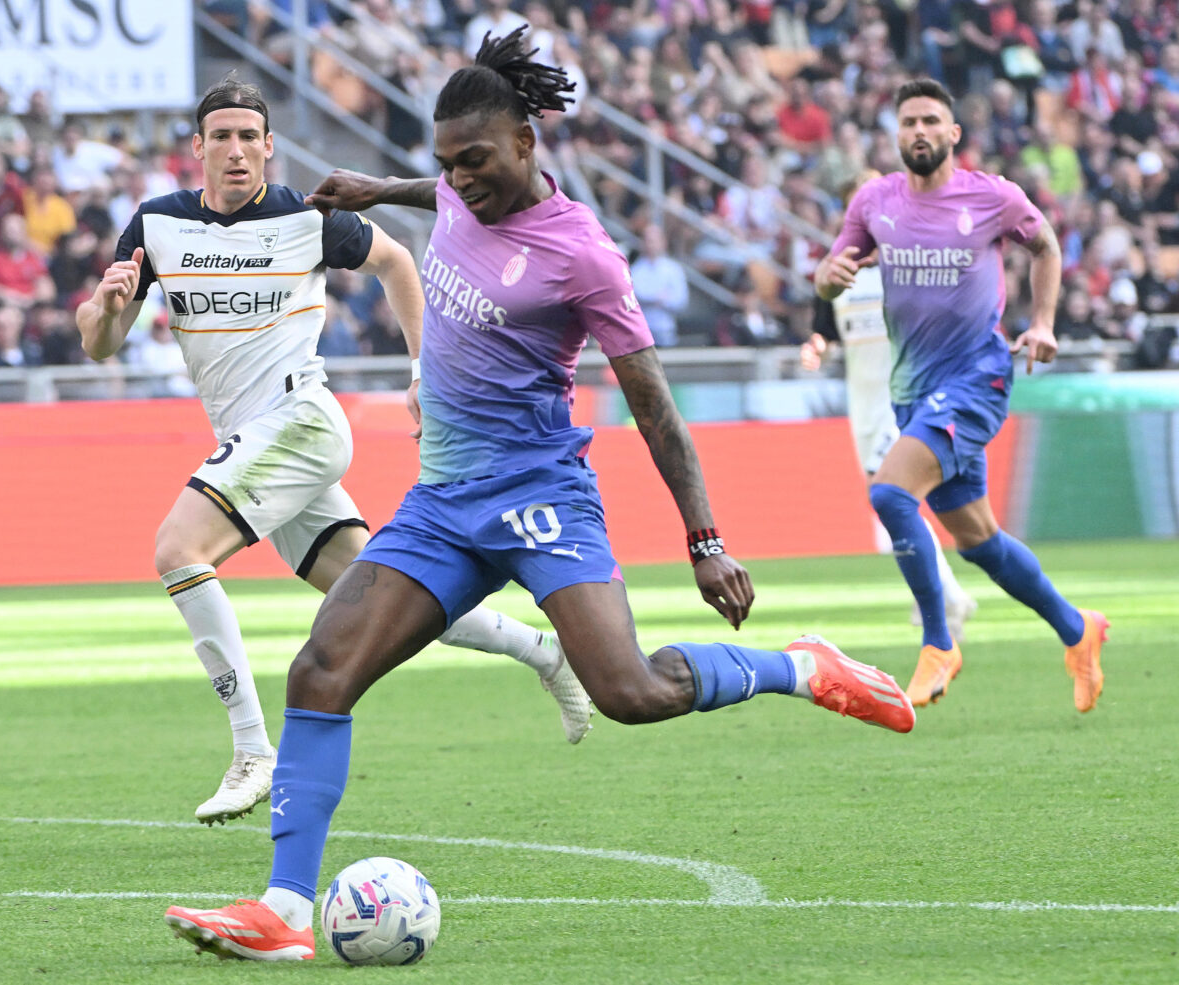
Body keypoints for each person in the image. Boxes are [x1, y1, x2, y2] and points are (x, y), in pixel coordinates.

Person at [163, 29, 916, 963]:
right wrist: (376, 189)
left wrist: (706, 539)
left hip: (539, 496)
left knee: (630, 691)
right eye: (446, 163)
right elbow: (439, 190)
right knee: (320, 670)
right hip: (444, 504)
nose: (458, 180)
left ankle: (801, 667)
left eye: (474, 160)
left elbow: (656, 409)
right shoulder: (459, 185)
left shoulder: (583, 255)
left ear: (526, 142)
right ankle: (283, 908)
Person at [76, 76, 592, 829]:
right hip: (252, 445)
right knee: (381, 597)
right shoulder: (157, 224)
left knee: (178, 550)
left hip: (300, 422)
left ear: (268, 146)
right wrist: (106, 306)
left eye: (248, 137)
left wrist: (422, 372)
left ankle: (252, 750)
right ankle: (543, 650)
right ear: (197, 147)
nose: (236, 150)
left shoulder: (304, 216)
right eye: (221, 137)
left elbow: (398, 262)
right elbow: (100, 344)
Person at [813, 78, 1108, 712]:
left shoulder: (992, 195)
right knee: (979, 542)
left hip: (977, 378)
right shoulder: (873, 202)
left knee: (890, 494)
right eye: (908, 122)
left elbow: (1046, 245)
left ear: (953, 133)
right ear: (897, 135)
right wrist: (828, 276)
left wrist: (1043, 322)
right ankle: (1078, 629)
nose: (918, 131)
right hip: (913, 391)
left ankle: (938, 642)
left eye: (930, 121)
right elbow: (829, 277)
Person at [802, 170, 977, 641]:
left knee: (893, 497)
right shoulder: (837, 270)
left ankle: (942, 598)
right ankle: (942, 592)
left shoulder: (911, 260)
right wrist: (816, 347)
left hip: (905, 397)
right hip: (863, 404)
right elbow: (825, 331)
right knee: (892, 502)